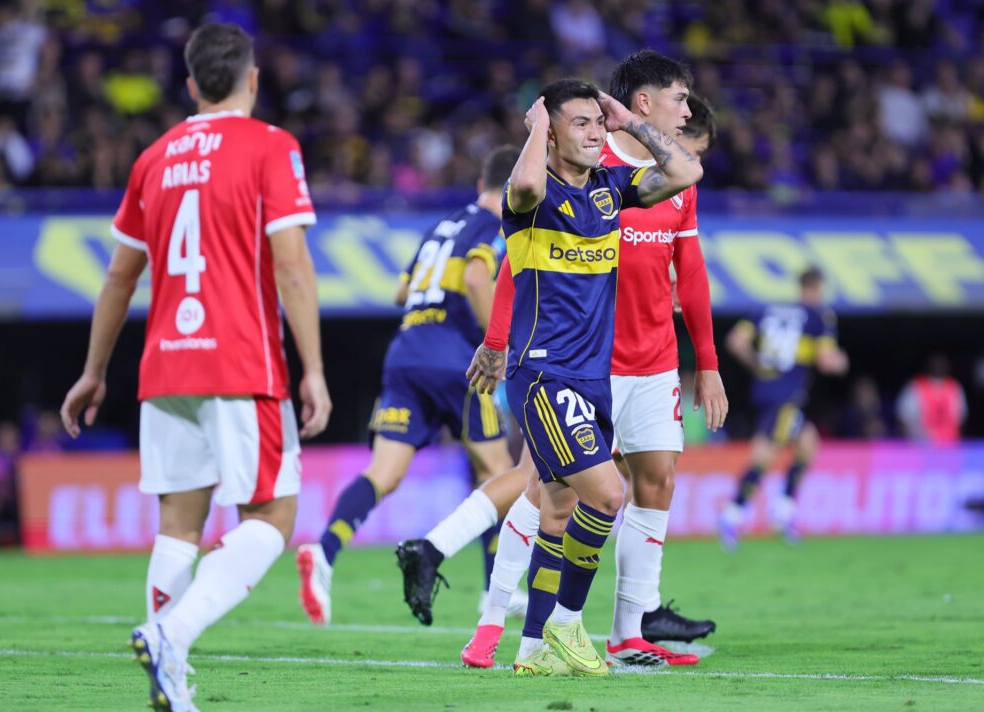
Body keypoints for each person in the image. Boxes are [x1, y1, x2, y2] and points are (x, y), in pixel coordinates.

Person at [399, 69, 724, 670]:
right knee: (601, 494)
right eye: (583, 123)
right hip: (547, 374)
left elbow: (686, 173)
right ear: (550, 132)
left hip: (598, 374)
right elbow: (522, 189)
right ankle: (560, 624)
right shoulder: (532, 195)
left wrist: (630, 124)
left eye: (600, 122)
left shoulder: (609, 189)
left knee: (554, 504)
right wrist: (538, 126)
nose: (597, 132)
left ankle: (529, 647)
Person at [60, 23, 330, 712]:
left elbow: (119, 276)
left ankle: (171, 674)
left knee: (179, 525)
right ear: (253, 79)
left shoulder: (153, 157)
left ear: (189, 84)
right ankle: (170, 634)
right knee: (273, 516)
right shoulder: (271, 145)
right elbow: (292, 264)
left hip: (165, 370)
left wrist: (93, 371)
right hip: (240, 362)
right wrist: (314, 369)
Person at [295, 146, 519, 625]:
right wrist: (495, 344)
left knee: (383, 472)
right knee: (498, 472)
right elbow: (477, 277)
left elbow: (402, 291)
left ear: (479, 182)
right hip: (456, 361)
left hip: (406, 355)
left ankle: (324, 552)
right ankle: (494, 594)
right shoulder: (496, 225)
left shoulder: (442, 226)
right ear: (511, 186)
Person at [718, 267, 848, 550]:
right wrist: (842, 362)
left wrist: (758, 366)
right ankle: (733, 513)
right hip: (787, 395)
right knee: (765, 455)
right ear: (817, 287)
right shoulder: (818, 316)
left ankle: (785, 510)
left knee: (808, 444)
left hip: (765, 390)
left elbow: (736, 342)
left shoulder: (767, 310)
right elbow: (827, 360)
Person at [896, 353, 967, 443]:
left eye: (941, 363)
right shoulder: (914, 386)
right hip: (920, 444)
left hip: (950, 444)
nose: (938, 365)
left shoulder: (955, 386)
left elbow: (961, 420)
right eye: (935, 362)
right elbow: (904, 418)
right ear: (928, 364)